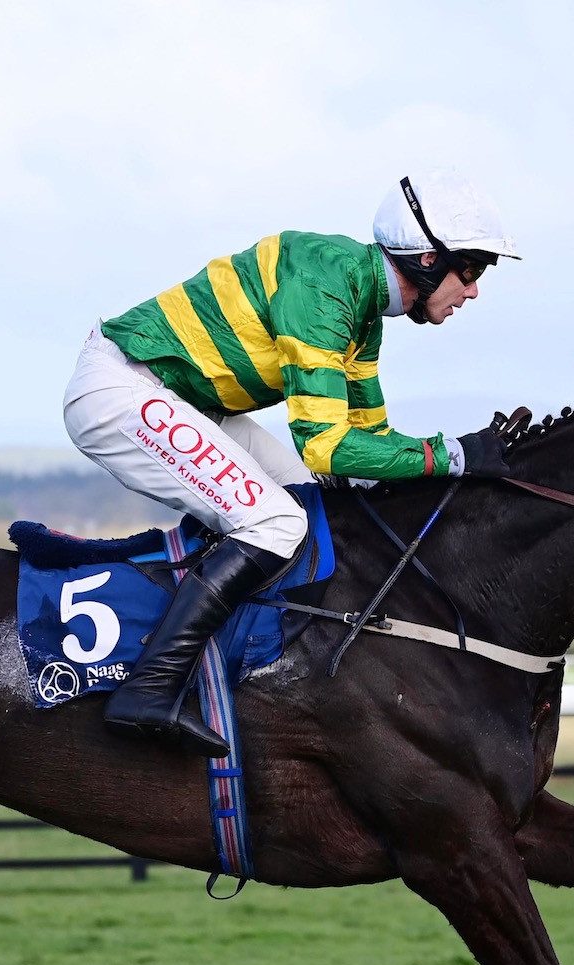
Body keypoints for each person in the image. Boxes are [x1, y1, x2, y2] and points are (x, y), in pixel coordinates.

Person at [61, 168, 524, 756]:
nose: (475, 291)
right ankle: (148, 690)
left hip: (182, 398)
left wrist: (455, 460)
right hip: (123, 387)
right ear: (428, 259)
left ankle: (247, 661)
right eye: (472, 270)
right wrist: (454, 455)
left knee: (305, 497)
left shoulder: (360, 307)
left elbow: (361, 453)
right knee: (276, 522)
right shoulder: (326, 289)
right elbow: (328, 445)